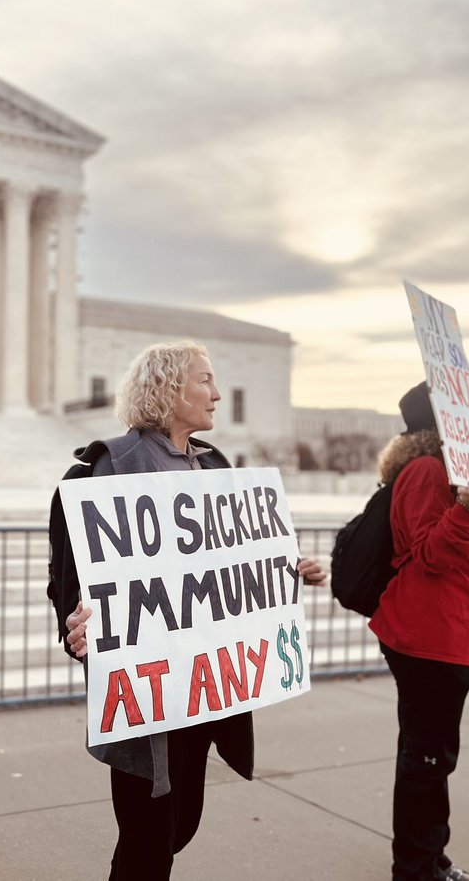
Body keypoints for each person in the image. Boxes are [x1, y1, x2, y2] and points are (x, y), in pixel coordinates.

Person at [55, 341, 327, 880]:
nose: (218, 394)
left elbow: (230, 562)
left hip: (204, 693)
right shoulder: (109, 468)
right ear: (168, 387)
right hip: (148, 696)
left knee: (180, 827)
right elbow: (71, 577)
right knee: (147, 840)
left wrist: (286, 569)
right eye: (205, 380)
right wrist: (75, 626)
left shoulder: (216, 467)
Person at [369, 382, 469, 881]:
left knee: (436, 757)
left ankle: (430, 858)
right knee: (425, 759)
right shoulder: (425, 471)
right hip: (425, 638)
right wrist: (467, 509)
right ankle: (416, 869)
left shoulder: (460, 472)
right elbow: (431, 555)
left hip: (452, 634)